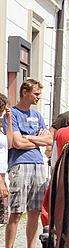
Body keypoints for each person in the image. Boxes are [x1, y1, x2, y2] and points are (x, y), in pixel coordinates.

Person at [2, 79, 52, 248]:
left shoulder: (38, 115)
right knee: (16, 212)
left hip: (39, 164)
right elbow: (16, 143)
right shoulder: (12, 114)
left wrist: (28, 137)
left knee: (35, 211)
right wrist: (36, 139)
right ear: (25, 92)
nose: (38, 97)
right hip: (19, 165)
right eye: (36, 93)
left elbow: (49, 140)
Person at [0, 94, 12, 228]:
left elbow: (9, 143)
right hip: (0, 177)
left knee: (2, 216)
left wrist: (9, 121)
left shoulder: (1, 127)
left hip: (3, 174)